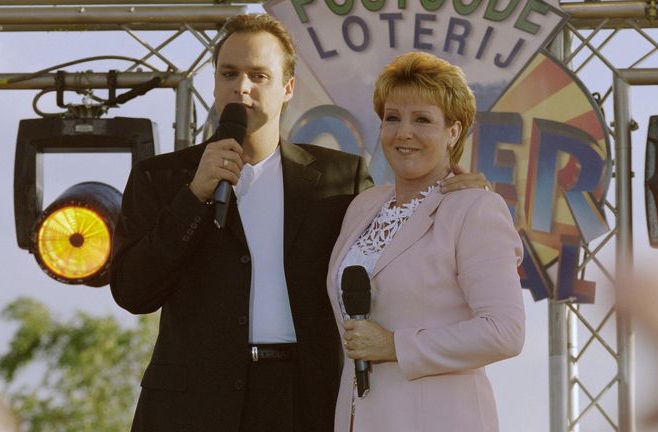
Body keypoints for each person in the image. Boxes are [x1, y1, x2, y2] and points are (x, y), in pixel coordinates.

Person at [110, 14, 487, 432]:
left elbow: (397, 253)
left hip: (304, 398)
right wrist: (194, 196)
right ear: (214, 82)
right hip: (191, 404)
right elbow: (132, 291)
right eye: (229, 73)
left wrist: (454, 192)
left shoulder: (339, 177)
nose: (242, 87)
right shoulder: (161, 178)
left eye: (259, 75)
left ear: (288, 88)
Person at [326, 51, 526, 432]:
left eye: (422, 119)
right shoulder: (363, 206)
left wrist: (395, 346)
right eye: (392, 118)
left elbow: (505, 331)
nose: (404, 132)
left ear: (453, 131)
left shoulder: (475, 208)